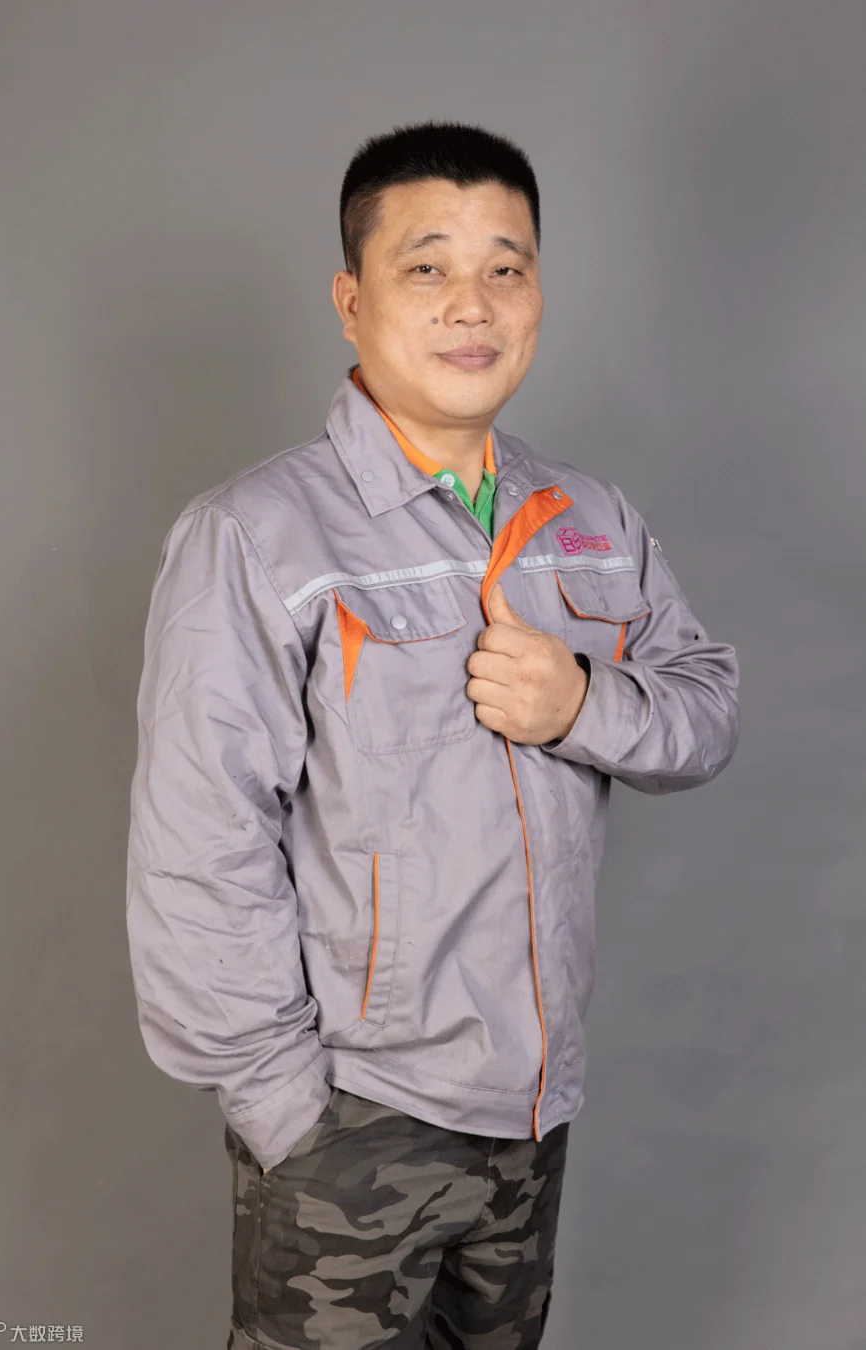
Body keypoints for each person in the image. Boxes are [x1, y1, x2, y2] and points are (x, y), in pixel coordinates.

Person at [126, 120, 739, 1349]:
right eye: (428, 267)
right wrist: (285, 1107)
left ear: (539, 294)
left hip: (535, 1114)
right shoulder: (257, 537)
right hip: (355, 1120)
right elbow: (199, 846)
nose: (474, 304)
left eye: (506, 268)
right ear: (352, 301)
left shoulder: (590, 520)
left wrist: (583, 700)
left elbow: (705, 709)